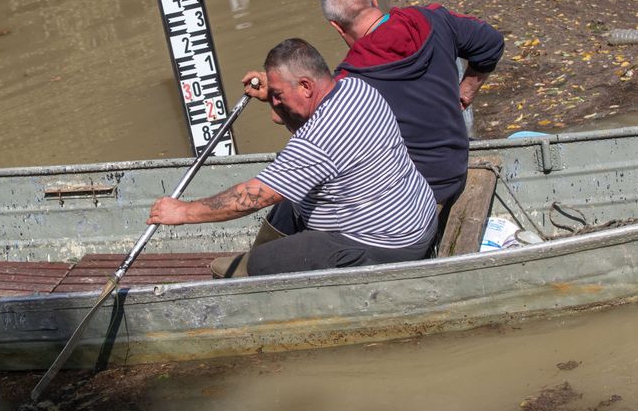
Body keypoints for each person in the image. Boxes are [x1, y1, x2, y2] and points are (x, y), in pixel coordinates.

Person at [148, 38, 437, 277]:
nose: (274, 102)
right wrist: (276, 90)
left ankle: (258, 269)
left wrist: (183, 212)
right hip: (414, 216)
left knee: (263, 263)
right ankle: (266, 256)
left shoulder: (320, 139)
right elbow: (306, 118)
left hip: (388, 243)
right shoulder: (356, 88)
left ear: (306, 86)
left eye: (278, 94)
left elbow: (253, 196)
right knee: (290, 201)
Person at [248, 0, 504, 207]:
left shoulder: (352, 80)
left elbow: (304, 116)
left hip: (414, 191)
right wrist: (466, 90)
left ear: (336, 27)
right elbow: (491, 43)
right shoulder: (433, 19)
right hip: (457, 165)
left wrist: (276, 94)